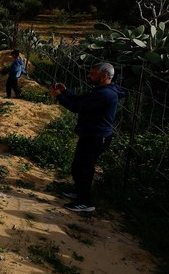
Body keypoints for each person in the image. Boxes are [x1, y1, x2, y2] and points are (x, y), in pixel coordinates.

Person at [50, 62, 126, 213]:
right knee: (78, 166)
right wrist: (65, 92)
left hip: (97, 137)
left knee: (84, 169)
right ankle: (78, 191)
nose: (89, 76)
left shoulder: (105, 94)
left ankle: (85, 202)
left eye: (92, 74)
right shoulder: (100, 90)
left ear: (104, 76)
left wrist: (59, 97)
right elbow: (80, 100)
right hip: (90, 134)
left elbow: (77, 107)